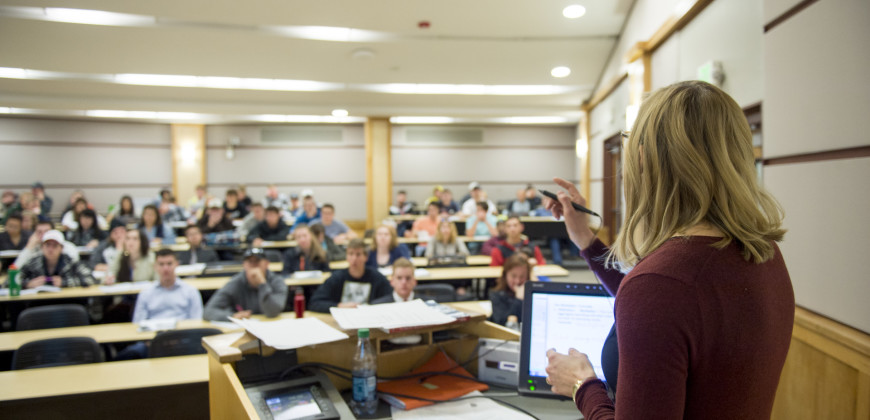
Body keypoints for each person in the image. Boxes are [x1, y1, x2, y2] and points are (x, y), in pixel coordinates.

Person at [543, 81, 794, 419]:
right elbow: (670, 312)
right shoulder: (763, 253)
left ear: (645, 159)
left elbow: (660, 302)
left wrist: (582, 385)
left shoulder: (664, 284)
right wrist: (585, 240)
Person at [115, 249, 205, 360]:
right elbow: (137, 324)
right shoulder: (146, 293)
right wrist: (149, 341)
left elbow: (197, 323)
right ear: (155, 267)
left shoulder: (191, 291)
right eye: (161, 264)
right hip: (152, 342)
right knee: (127, 355)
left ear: (177, 264)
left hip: (183, 341)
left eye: (169, 264)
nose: (165, 268)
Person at [204, 248, 288, 321]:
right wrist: (232, 316)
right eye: (250, 262)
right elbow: (208, 311)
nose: (253, 266)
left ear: (266, 264)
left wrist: (262, 284)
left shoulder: (277, 281)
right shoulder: (236, 282)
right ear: (244, 265)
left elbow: (272, 312)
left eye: (257, 262)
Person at [309, 239, 392, 312]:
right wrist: (339, 306)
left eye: (358, 254)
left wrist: (371, 306)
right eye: (351, 254)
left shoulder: (377, 278)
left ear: (366, 257)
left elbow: (390, 298)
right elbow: (314, 302)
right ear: (346, 256)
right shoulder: (337, 278)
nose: (354, 258)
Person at [18, 230, 95, 288]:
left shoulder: (70, 262)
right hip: (38, 303)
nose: (50, 249)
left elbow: (90, 279)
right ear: (42, 247)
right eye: (47, 245)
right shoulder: (33, 262)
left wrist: (65, 282)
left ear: (61, 248)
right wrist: (28, 284)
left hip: (66, 302)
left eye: (55, 246)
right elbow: (11, 281)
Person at [14, 220, 80, 267]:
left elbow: (75, 268)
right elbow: (16, 269)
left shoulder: (68, 247)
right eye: (39, 232)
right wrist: (29, 246)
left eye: (47, 231)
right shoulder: (33, 248)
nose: (43, 235)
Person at [489, 253, 531, 326]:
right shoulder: (497, 295)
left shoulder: (533, 295)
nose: (518, 281)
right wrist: (519, 300)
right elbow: (501, 322)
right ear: (505, 275)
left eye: (522, 276)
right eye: (513, 276)